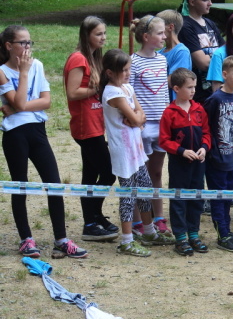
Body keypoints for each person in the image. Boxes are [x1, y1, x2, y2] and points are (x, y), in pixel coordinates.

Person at [0, 25, 88, 259]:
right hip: (15, 134)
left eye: (30, 42)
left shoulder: (37, 65)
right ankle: (26, 239)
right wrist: (23, 74)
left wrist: (17, 108)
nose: (27, 47)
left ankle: (61, 239)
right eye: (22, 43)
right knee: (20, 185)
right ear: (9, 46)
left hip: (37, 130)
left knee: (54, 183)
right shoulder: (3, 71)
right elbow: (19, 100)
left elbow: (45, 101)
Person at [99, 49, 174, 257]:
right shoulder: (112, 93)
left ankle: (149, 232)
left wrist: (136, 118)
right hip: (123, 151)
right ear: (110, 73)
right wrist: (136, 119)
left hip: (136, 149)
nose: (128, 73)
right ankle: (126, 241)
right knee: (128, 195)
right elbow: (136, 118)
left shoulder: (128, 88)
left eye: (129, 69)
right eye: (123, 70)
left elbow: (141, 115)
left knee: (145, 187)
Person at [63, 16, 118, 241]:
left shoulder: (96, 58)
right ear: (87, 35)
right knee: (108, 173)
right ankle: (92, 218)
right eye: (98, 34)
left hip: (96, 125)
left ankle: (93, 219)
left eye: (104, 33)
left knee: (91, 174)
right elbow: (72, 92)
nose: (103, 37)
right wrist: (97, 88)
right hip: (86, 127)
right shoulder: (78, 58)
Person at [158, 68, 211, 256]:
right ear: (176, 89)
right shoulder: (169, 113)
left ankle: (194, 234)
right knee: (179, 199)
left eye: (194, 87)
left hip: (198, 163)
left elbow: (207, 133)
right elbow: (164, 140)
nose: (193, 91)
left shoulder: (199, 110)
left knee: (196, 198)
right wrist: (181, 151)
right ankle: (180, 237)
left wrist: (204, 147)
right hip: (179, 164)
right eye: (189, 87)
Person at [129, 15, 171, 235]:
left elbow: (164, 93)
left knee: (156, 172)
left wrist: (168, 118)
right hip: (142, 127)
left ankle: (159, 216)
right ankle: (138, 220)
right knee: (139, 174)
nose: (165, 36)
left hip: (161, 125)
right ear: (146, 37)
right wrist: (136, 119)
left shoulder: (162, 60)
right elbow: (129, 93)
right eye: (160, 33)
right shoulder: (133, 62)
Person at [202, 55, 233, 251]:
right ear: (224, 74)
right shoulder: (215, 99)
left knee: (228, 197)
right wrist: (212, 152)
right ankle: (222, 235)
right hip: (217, 158)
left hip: (231, 156)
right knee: (219, 198)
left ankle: (227, 230)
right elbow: (206, 126)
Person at [178, 0, 224, 104]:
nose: (210, 3)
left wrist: (217, 59)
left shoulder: (210, 23)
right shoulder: (185, 26)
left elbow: (228, 52)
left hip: (217, 89)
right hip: (200, 94)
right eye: (205, 0)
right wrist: (222, 60)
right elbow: (203, 63)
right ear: (192, 2)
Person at [156, 9, 192, 101]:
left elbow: (174, 80)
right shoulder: (159, 53)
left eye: (159, 27)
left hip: (174, 104)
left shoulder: (182, 52)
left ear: (170, 27)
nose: (156, 30)